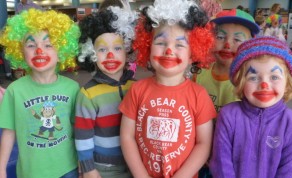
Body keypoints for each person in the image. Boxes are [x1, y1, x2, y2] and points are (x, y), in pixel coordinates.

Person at [119, 0, 217, 177]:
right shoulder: (137, 90)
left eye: (179, 45)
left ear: (192, 53)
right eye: (161, 43)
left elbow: (204, 144)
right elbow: (127, 136)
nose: (169, 50)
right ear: (147, 46)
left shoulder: (199, 95)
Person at [0, 9, 80, 178]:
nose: (39, 51)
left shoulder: (73, 88)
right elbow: (8, 132)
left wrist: (83, 163)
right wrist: (1, 167)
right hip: (31, 172)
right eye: (31, 45)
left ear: (62, 52)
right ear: (21, 53)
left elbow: (77, 129)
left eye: (48, 44)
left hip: (68, 169)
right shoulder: (14, 90)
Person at [210, 36, 292, 178]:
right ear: (240, 82)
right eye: (253, 77)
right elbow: (221, 163)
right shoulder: (228, 116)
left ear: (287, 83)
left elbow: (291, 171)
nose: (264, 85)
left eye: (274, 77)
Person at [74, 6, 137, 178]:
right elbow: (82, 136)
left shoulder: (136, 87)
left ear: (127, 50)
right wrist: (88, 169)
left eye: (117, 48)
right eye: (102, 50)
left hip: (136, 164)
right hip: (103, 168)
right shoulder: (88, 94)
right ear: (91, 53)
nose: (110, 55)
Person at [195, 9, 260, 113]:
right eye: (220, 37)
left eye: (237, 39)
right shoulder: (197, 74)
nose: (227, 44)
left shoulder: (251, 81)